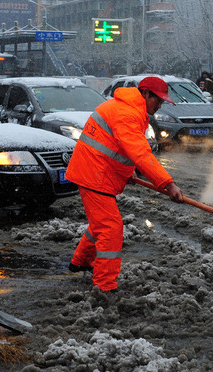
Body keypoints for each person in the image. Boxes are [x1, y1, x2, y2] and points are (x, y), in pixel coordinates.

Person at [65, 76, 185, 294]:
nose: (160, 105)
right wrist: (168, 184)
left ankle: (80, 261)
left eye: (163, 101)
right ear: (145, 94)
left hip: (96, 173)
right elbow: (139, 152)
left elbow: (117, 148)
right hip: (94, 175)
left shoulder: (129, 109)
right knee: (111, 227)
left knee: (100, 224)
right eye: (158, 100)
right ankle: (105, 285)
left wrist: (127, 173)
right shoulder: (127, 114)